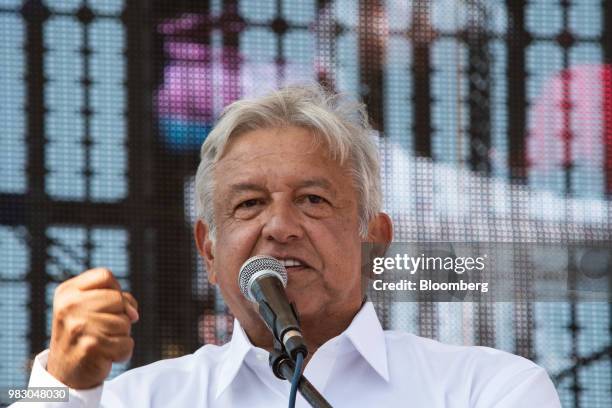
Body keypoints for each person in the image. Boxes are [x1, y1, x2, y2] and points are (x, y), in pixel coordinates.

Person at [14, 85, 561, 407]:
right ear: (207, 251)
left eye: (314, 201)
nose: (280, 227)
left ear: (375, 239)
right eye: (248, 204)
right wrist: (59, 383)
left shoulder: (487, 391)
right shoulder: (144, 399)